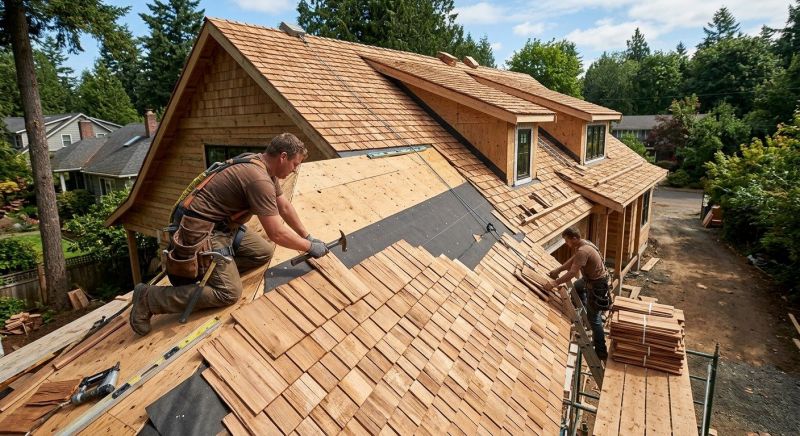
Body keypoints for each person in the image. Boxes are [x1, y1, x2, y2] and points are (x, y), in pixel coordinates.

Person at [130, 133, 328, 336]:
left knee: (263, 252)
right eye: (294, 164)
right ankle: (149, 298)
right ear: (283, 157)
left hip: (223, 227)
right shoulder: (258, 179)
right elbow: (276, 232)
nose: (295, 170)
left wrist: (308, 236)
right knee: (228, 293)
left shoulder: (262, 166)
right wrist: (309, 248)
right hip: (203, 232)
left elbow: (284, 206)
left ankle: (219, 272)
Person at [546, 227, 611, 359]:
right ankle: (586, 307)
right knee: (577, 286)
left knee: (595, 320)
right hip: (590, 280)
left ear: (574, 238)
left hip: (597, 285)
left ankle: (601, 350)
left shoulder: (583, 251)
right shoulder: (583, 245)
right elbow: (573, 260)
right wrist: (558, 269)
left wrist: (554, 283)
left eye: (567, 240)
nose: (566, 243)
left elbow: (571, 273)